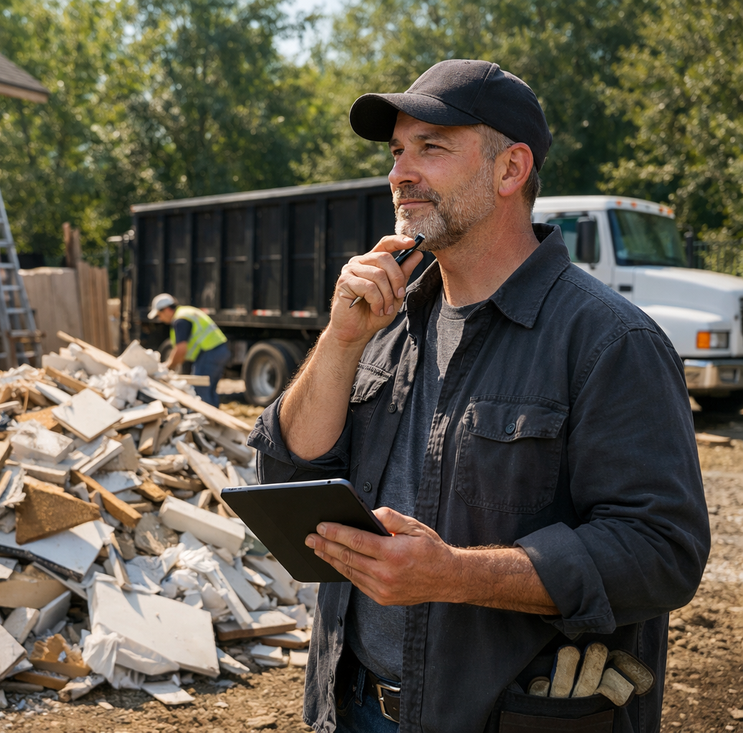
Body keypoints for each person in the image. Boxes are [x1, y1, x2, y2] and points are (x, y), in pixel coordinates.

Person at [248, 59, 710, 733]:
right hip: (351, 710)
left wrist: (453, 574)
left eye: (431, 147)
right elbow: (285, 480)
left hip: (508, 719)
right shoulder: (382, 326)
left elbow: (662, 551)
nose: (400, 173)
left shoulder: (609, 341)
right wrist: (341, 339)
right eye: (397, 151)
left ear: (509, 170)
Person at [148, 293, 230, 407]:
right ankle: (215, 421)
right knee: (209, 390)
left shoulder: (180, 320)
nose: (160, 319)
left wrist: (167, 367)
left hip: (209, 352)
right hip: (219, 350)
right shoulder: (186, 312)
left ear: (166, 310)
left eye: (159, 315)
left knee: (200, 390)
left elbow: (181, 350)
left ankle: (207, 422)